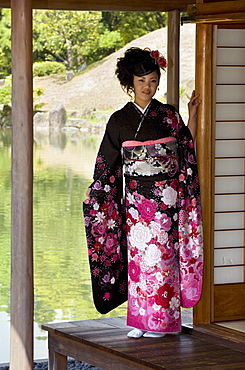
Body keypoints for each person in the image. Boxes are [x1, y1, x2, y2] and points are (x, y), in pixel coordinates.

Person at [83, 47, 203, 339]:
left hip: (166, 202)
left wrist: (193, 115)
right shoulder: (119, 120)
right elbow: (107, 164)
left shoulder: (169, 115)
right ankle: (140, 320)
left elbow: (187, 149)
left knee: (162, 258)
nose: (147, 87)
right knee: (139, 260)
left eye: (152, 80)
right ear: (130, 83)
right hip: (136, 204)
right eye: (141, 81)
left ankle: (162, 322)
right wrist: (95, 192)